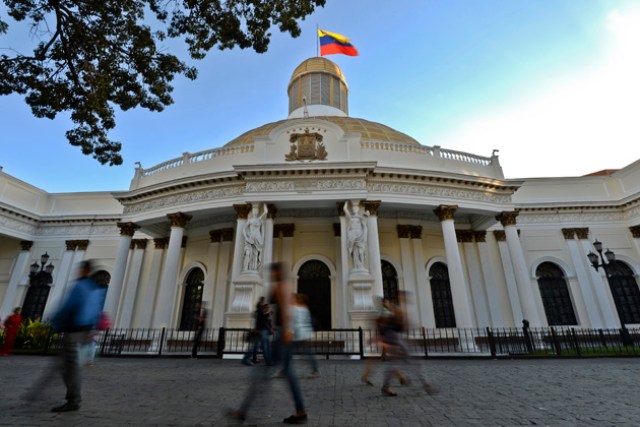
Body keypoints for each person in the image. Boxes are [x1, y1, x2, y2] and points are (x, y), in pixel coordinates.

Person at [231, 263, 308, 424]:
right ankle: (300, 411)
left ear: (278, 273)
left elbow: (287, 310)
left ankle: (243, 411)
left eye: (273, 273)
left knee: (263, 373)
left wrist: (286, 330)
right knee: (287, 373)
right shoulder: (283, 286)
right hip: (284, 334)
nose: (271, 275)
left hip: (283, 336)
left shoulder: (281, 287)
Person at [49, 260, 107, 412]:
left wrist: (55, 324)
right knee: (68, 363)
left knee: (69, 364)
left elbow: (69, 306)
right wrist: (93, 328)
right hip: (84, 330)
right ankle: (73, 397)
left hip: (74, 329)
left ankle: (73, 399)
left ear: (84, 271)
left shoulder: (81, 286)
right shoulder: (95, 288)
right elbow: (97, 309)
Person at [292, 293, 319, 377]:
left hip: (298, 335)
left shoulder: (297, 309)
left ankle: (315, 370)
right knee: (308, 353)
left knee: (288, 353)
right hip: (304, 334)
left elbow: (296, 322)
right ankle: (315, 370)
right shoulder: (305, 308)